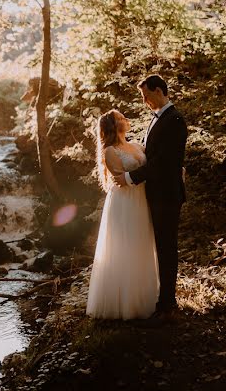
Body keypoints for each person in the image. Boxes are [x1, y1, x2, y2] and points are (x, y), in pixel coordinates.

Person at [114, 75, 188, 315]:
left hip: (167, 195)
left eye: (146, 96)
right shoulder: (156, 120)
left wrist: (129, 178)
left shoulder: (174, 120)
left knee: (166, 248)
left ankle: (167, 304)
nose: (144, 101)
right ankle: (160, 298)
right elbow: (149, 154)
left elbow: (162, 163)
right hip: (155, 194)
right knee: (159, 247)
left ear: (158, 91)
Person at [86, 109, 159, 320]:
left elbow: (150, 167)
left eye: (122, 117)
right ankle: (126, 305)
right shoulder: (110, 151)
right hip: (126, 203)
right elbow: (120, 180)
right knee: (127, 246)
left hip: (142, 200)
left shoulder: (136, 145)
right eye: (119, 118)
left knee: (143, 245)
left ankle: (146, 297)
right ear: (112, 126)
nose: (124, 120)